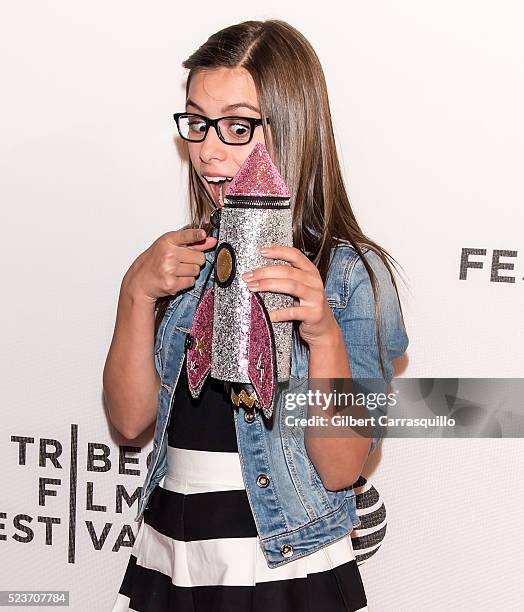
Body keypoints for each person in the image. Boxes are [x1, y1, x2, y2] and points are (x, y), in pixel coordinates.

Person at [104, 19, 409, 612]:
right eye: (197, 123)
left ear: (291, 129)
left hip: (279, 562)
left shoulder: (349, 275)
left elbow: (343, 468)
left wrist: (322, 335)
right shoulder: (183, 258)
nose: (210, 150)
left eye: (238, 127)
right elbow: (130, 420)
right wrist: (135, 294)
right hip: (172, 548)